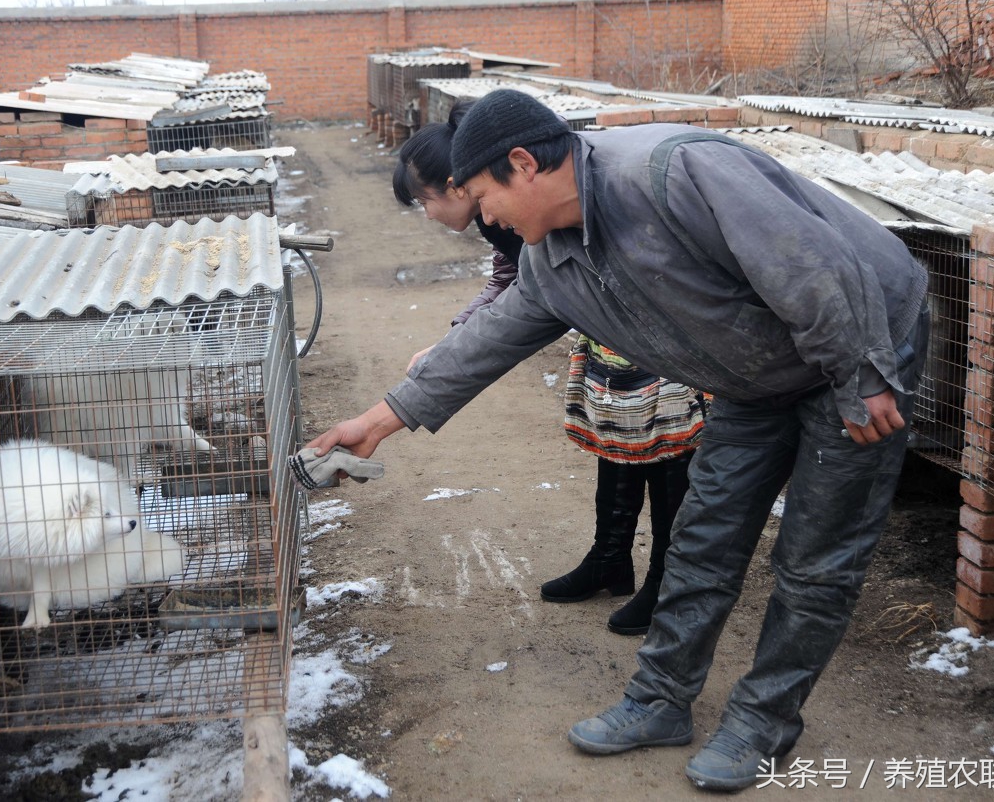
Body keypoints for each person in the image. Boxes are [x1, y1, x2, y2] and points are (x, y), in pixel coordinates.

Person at [307, 88, 929, 792]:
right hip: (758, 376)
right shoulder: (551, 260)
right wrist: (378, 421)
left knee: (817, 554)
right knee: (704, 535)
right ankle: (661, 699)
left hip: (861, 339)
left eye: (484, 197)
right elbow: (489, 339)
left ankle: (765, 719)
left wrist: (863, 374)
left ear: (523, 164)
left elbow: (811, 266)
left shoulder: (672, 171)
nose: (485, 217)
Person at [392, 107, 703, 634]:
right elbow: (512, 280)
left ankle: (668, 582)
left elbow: (533, 288)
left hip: (657, 330)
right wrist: (453, 343)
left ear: (458, 185)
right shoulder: (497, 219)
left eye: (425, 201)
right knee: (617, 442)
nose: (427, 215)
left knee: (666, 448)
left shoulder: (535, 194)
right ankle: (611, 559)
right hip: (610, 334)